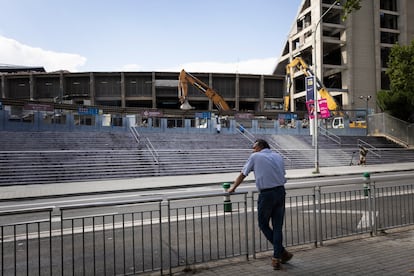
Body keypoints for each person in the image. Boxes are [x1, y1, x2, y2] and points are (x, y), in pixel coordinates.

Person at [228, 139, 293, 270]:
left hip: (267, 194)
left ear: (260, 146)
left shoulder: (255, 156)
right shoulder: (277, 155)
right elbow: (282, 174)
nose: (252, 150)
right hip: (281, 192)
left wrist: (232, 188)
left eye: (254, 147)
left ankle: (281, 252)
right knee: (277, 227)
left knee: (263, 224)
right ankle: (277, 257)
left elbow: (243, 174)